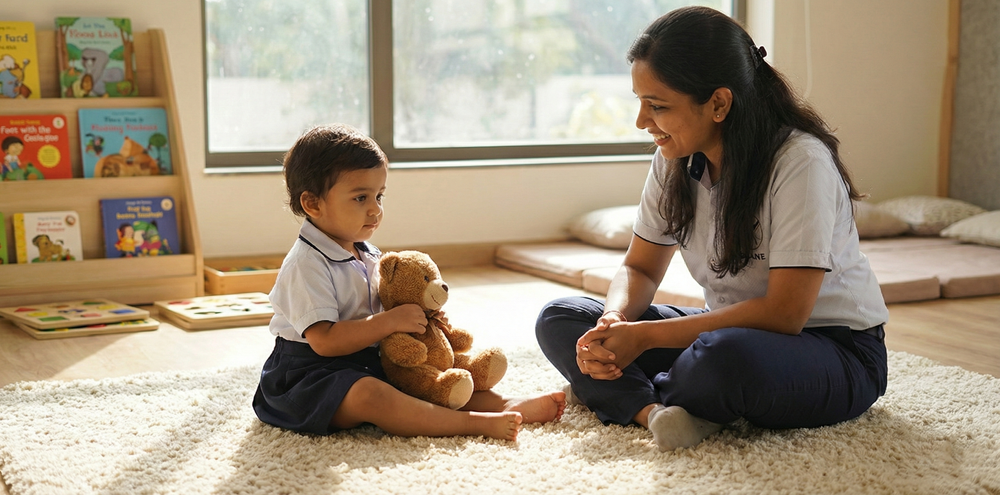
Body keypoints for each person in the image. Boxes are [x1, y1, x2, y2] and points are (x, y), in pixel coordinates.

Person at [535, 6, 889, 452]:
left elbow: (785, 314)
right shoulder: (674, 160)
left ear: (719, 103)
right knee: (563, 317)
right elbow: (640, 269)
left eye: (657, 106)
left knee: (723, 362)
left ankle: (616, 393)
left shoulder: (800, 162)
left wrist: (644, 338)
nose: (642, 122)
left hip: (833, 348)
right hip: (721, 332)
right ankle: (656, 411)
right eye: (640, 102)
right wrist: (616, 318)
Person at [253, 123, 565, 441]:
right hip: (309, 377)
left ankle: (505, 404)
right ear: (313, 204)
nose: (375, 209)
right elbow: (326, 341)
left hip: (366, 358)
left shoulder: (368, 254)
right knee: (371, 394)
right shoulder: (306, 265)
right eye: (360, 198)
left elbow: (388, 305)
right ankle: (470, 424)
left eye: (379, 196)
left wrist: (419, 320)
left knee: (428, 378)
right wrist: (388, 322)